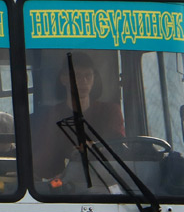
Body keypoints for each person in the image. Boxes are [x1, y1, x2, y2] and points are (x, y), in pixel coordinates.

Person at [33, 52, 124, 180]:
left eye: (88, 76)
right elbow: (43, 160)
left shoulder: (110, 112)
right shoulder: (52, 116)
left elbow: (117, 148)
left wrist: (93, 149)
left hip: (105, 181)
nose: (84, 81)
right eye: (77, 76)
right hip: (64, 186)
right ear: (64, 79)